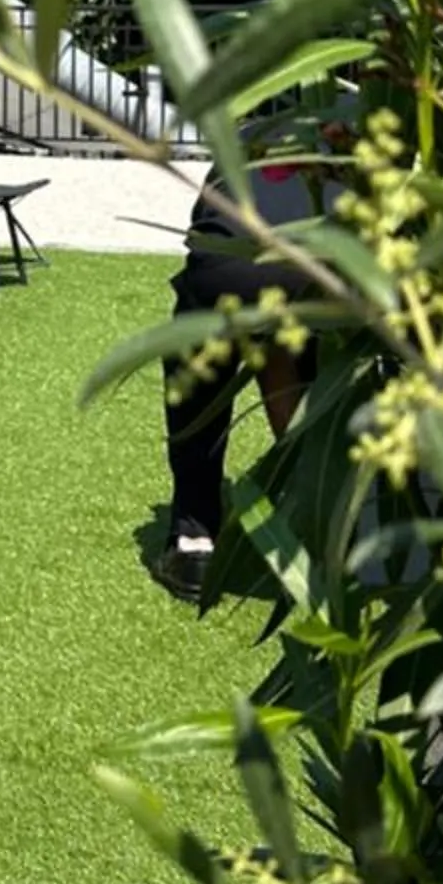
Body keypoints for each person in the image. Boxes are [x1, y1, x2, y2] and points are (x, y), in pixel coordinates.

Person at [156, 116, 349, 600]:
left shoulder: (242, 133)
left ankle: (194, 539)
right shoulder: (357, 122)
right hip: (317, 272)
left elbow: (204, 224)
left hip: (228, 270)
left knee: (199, 351)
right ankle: (322, 517)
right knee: (291, 350)